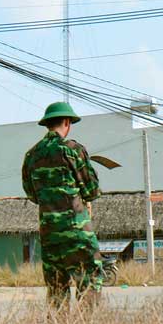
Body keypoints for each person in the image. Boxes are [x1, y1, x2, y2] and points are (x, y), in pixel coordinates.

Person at [21, 102, 104, 309]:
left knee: (57, 292)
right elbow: (91, 190)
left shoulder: (31, 156)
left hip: (50, 236)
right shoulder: (73, 150)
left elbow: (32, 194)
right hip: (77, 233)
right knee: (89, 283)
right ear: (67, 123)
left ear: (47, 125)